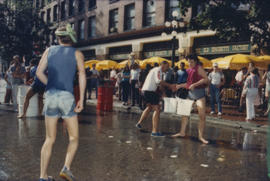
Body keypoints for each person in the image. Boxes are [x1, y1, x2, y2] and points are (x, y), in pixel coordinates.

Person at [36, 24, 86, 181]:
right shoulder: (77, 53)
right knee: (74, 138)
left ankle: (43, 177)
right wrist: (81, 100)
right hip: (67, 98)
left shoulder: (49, 51)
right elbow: (82, 75)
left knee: (49, 139)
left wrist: (50, 85)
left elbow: (39, 73)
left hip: (50, 96)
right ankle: (66, 168)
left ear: (58, 38)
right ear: (71, 37)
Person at [173, 54, 209, 144]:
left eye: (191, 62)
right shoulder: (188, 70)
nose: (190, 63)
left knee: (202, 116)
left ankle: (201, 137)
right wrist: (179, 86)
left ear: (195, 61)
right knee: (185, 114)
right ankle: (182, 132)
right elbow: (188, 84)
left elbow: (206, 79)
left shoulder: (199, 68)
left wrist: (195, 84)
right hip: (190, 95)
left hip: (200, 95)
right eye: (188, 62)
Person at [135, 61, 176, 137]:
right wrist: (170, 85)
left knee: (149, 107)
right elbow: (158, 81)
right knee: (157, 109)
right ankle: (154, 132)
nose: (167, 69)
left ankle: (139, 123)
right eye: (167, 67)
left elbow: (159, 85)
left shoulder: (156, 70)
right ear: (163, 65)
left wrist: (163, 93)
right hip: (149, 91)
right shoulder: (158, 70)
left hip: (146, 91)